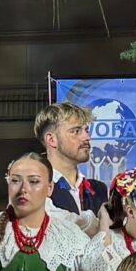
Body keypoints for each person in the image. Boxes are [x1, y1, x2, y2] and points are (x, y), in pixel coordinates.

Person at [0, 149, 97, 271]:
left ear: (49, 188)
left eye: (34, 182)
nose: (23, 189)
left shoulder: (69, 237)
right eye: (15, 181)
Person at [36, 99, 108, 232]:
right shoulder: (34, 186)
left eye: (86, 130)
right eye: (76, 131)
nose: (87, 137)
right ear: (52, 140)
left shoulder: (99, 189)